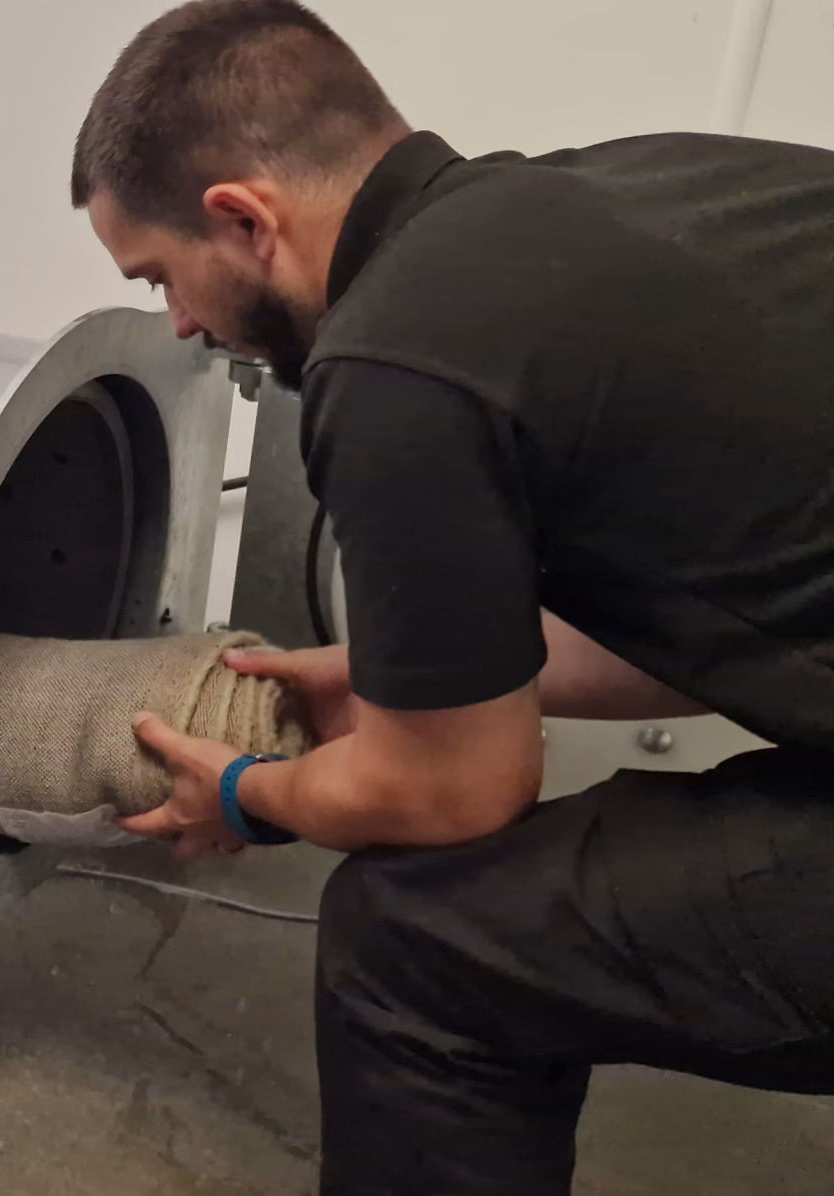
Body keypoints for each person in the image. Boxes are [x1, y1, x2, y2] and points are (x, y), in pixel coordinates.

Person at [64, 1, 834, 1191]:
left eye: (162, 275)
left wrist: (246, 793)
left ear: (243, 219)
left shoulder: (394, 359)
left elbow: (453, 791)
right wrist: (404, 676)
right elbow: (733, 607)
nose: (176, 319)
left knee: (414, 941)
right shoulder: (645, 188)